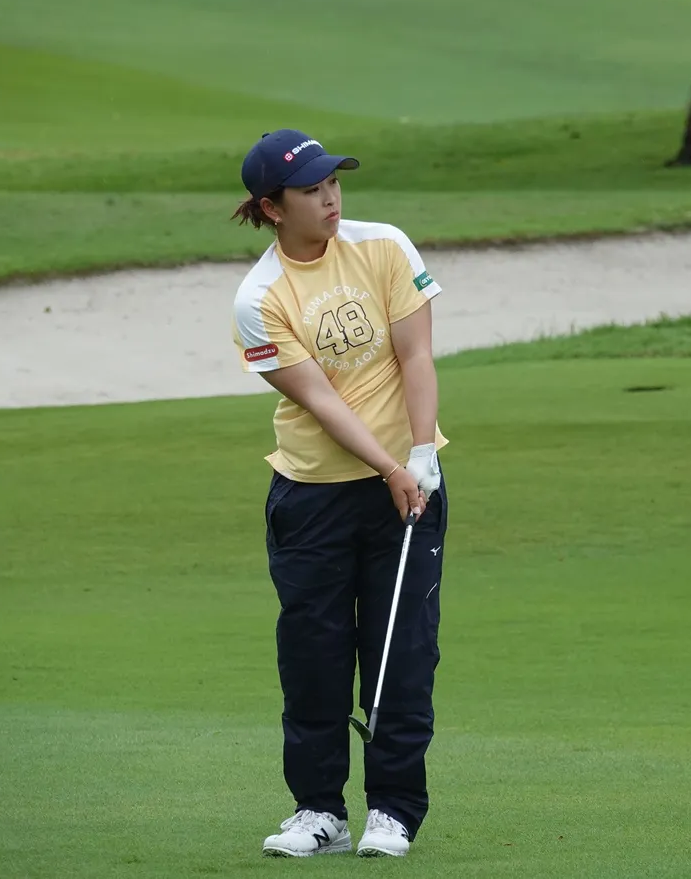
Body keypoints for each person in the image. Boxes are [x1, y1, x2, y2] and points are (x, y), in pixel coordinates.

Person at [230, 129, 448, 859]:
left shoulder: (384, 245)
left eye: (333, 182)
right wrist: (390, 466)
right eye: (311, 189)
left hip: (409, 486)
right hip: (313, 497)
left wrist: (420, 454)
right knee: (314, 657)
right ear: (272, 207)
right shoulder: (259, 298)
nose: (330, 197)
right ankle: (319, 811)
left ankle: (393, 810)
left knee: (402, 655)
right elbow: (322, 401)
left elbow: (416, 353)